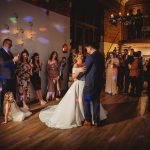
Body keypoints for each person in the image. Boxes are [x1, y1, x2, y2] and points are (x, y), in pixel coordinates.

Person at [39, 54, 107, 129]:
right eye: (80, 57)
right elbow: (74, 76)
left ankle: (89, 117)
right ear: (77, 58)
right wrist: (79, 71)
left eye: (82, 57)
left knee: (86, 101)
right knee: (79, 101)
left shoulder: (85, 64)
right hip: (78, 85)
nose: (81, 58)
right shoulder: (75, 65)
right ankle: (81, 117)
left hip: (86, 84)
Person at [77, 43, 105, 126]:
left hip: (90, 83)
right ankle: (96, 120)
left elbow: (85, 69)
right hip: (99, 82)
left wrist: (77, 77)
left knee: (86, 100)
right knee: (96, 101)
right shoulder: (101, 56)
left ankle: (88, 120)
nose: (87, 50)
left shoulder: (91, 57)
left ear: (90, 47)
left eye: (87, 48)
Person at [0, 39, 19, 113]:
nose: (11, 46)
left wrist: (16, 61)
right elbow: (3, 64)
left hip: (12, 77)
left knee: (13, 94)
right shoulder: (0, 52)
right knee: (4, 95)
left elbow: (13, 65)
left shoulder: (10, 53)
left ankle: (12, 110)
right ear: (5, 43)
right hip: (5, 77)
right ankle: (4, 111)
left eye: (11, 45)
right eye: (10, 44)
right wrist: (13, 60)